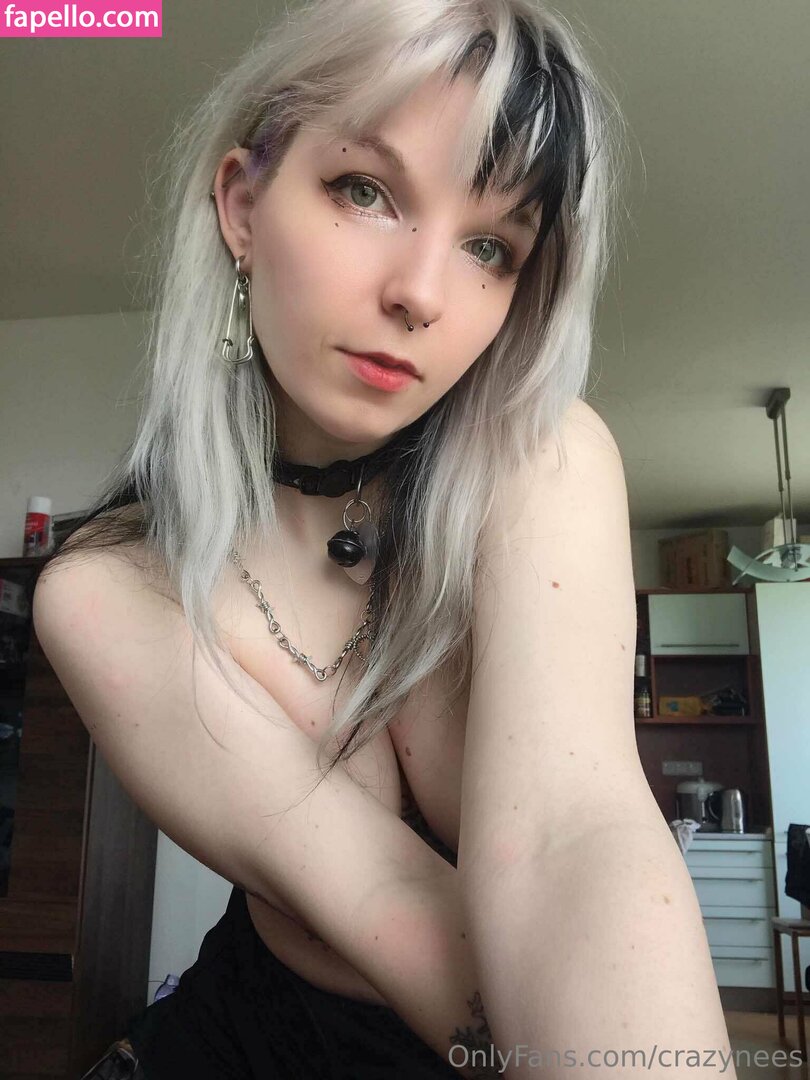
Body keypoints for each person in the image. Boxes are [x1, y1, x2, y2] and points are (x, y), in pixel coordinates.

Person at [33, 0, 738, 1077]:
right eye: (365, 191)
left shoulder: (540, 462)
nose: (421, 294)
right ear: (242, 204)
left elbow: (578, 836)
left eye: (491, 247)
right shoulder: (110, 591)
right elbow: (389, 909)